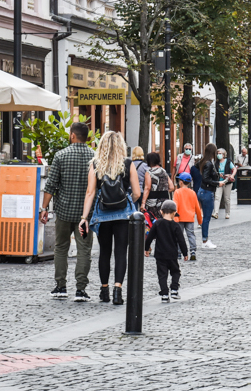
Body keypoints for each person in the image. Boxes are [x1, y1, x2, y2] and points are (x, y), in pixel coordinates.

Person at [79, 130, 140, 304]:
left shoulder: (96, 164)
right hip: (123, 215)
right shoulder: (128, 164)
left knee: (104, 252)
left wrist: (84, 217)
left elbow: (90, 192)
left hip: (102, 215)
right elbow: (136, 192)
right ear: (121, 146)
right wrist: (127, 201)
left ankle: (104, 290)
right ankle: (117, 290)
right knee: (121, 252)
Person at [39, 121, 94, 302]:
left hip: (63, 212)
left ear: (72, 135)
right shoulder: (94, 157)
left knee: (61, 248)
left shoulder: (60, 156)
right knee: (84, 250)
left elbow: (51, 185)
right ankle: (80, 289)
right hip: (85, 216)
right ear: (87, 138)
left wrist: (44, 209)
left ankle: (60, 286)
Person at [144, 199, 188, 302]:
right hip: (172, 254)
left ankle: (164, 294)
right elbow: (181, 241)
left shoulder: (157, 223)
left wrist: (146, 248)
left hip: (160, 254)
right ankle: (174, 289)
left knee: (162, 275)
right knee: (176, 272)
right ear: (174, 213)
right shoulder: (176, 226)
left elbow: (149, 237)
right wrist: (185, 253)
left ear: (161, 211)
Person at [195, 144, 220, 249]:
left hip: (201, 191)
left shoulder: (203, 162)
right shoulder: (209, 163)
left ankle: (205, 239)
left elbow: (196, 167)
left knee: (204, 217)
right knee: (206, 218)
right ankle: (205, 240)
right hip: (207, 192)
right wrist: (218, 183)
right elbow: (206, 179)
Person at [173, 172, 201, 261]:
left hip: (179, 218)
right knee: (191, 235)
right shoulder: (192, 193)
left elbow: (175, 206)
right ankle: (193, 251)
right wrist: (200, 220)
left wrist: (175, 218)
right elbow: (197, 207)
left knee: (178, 236)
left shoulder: (177, 192)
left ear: (181, 182)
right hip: (190, 218)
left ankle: (178, 252)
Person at [142, 152, 172, 216]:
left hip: (153, 203)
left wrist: (143, 203)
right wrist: (162, 192)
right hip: (164, 202)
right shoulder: (164, 171)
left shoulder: (149, 173)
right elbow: (171, 187)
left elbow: (147, 188)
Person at [214, 147, 236, 219]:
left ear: (223, 155)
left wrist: (232, 175)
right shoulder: (216, 163)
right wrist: (217, 174)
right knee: (217, 197)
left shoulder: (228, 161)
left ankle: (227, 213)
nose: (218, 155)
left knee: (227, 198)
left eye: (220, 153)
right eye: (217, 153)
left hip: (227, 182)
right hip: (219, 181)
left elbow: (234, 169)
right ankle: (216, 212)